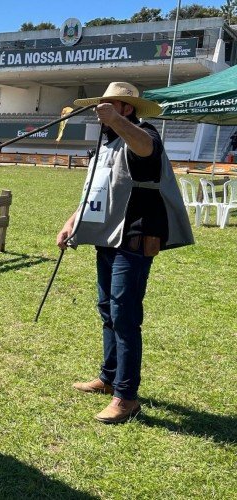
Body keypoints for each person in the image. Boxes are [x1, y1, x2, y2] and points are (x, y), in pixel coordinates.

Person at [56, 82, 193, 424]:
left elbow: (146, 149)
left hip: (133, 239)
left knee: (125, 315)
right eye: (102, 105)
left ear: (127, 108)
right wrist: (73, 220)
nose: (102, 109)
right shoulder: (107, 142)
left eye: (111, 104)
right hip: (107, 236)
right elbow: (96, 187)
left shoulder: (142, 134)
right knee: (108, 309)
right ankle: (109, 377)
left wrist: (117, 121)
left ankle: (126, 397)